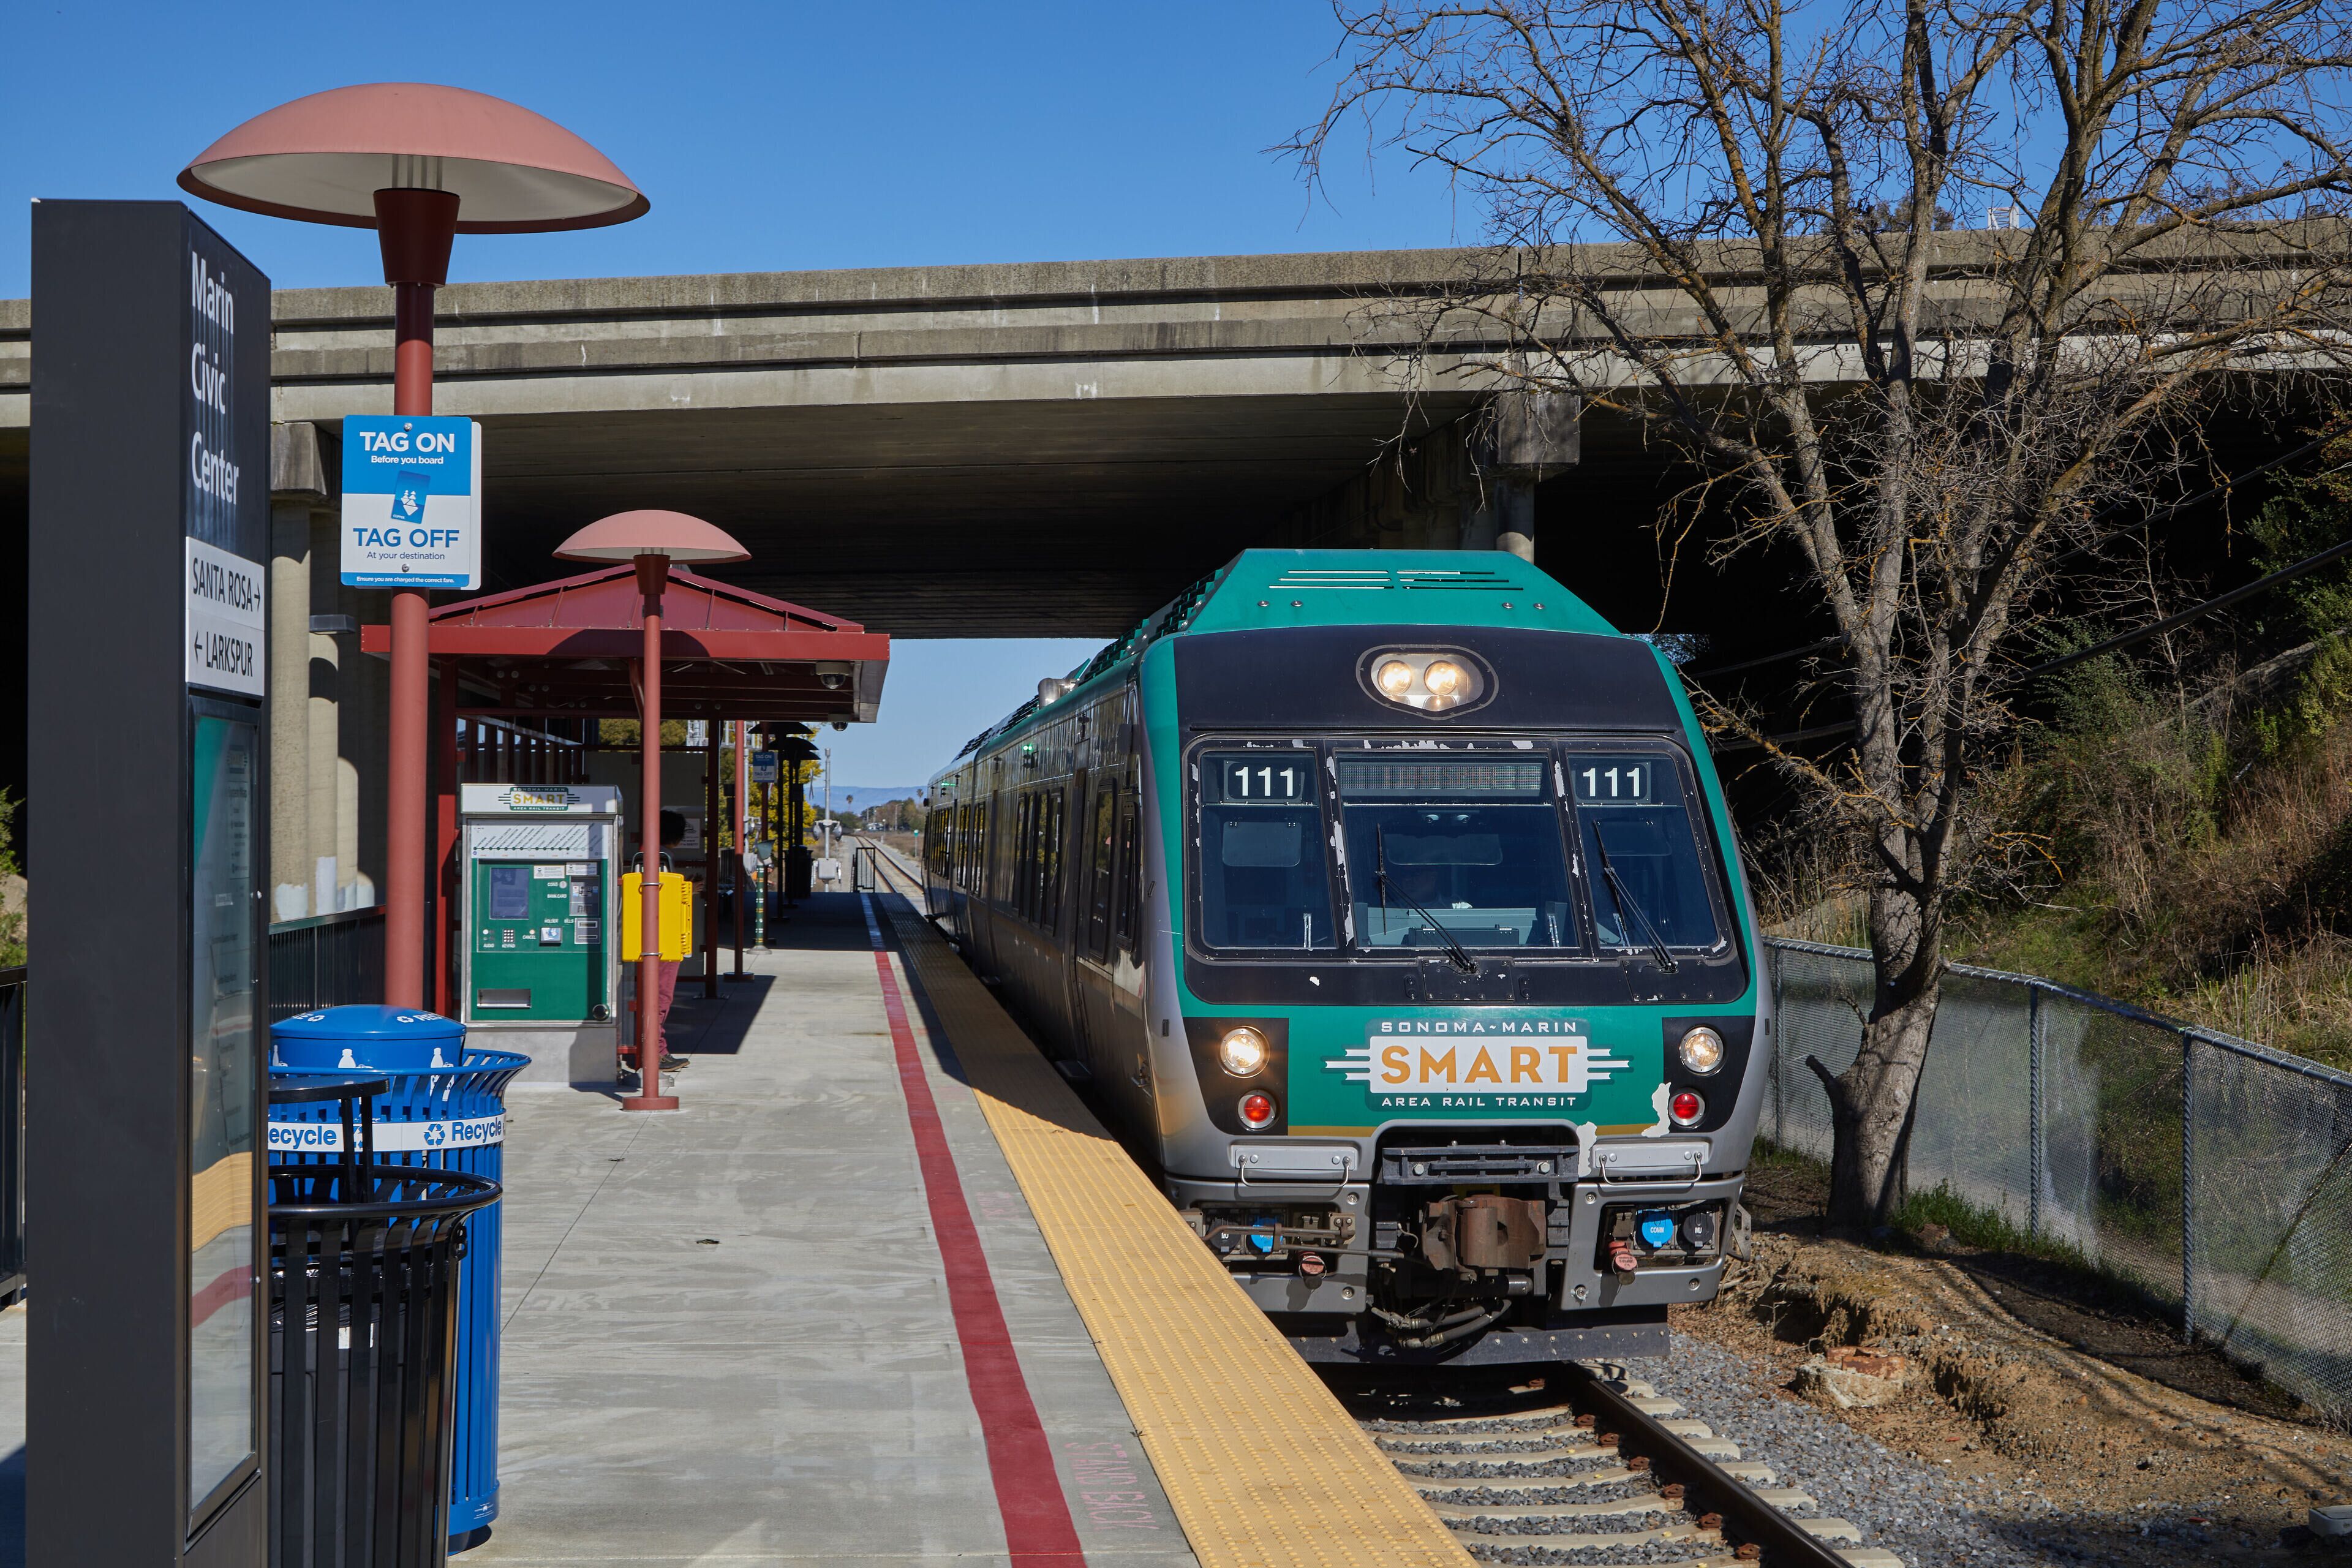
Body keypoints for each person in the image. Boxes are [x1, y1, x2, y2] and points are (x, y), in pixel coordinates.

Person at [628, 809, 692, 1076]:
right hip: (662, 936)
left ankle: (651, 1047)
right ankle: (656, 1051)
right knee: (661, 994)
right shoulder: (660, 858)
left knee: (650, 994)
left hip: (643, 934)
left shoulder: (643, 855)